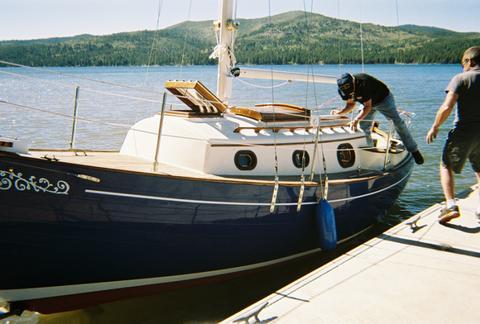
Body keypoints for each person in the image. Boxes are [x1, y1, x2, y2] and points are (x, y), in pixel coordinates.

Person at [426, 46, 480, 224]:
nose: (462, 67)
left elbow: (447, 106)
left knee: (445, 165)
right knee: (479, 168)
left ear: (470, 61)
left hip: (463, 131)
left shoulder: (461, 79)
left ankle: (450, 205)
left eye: (463, 63)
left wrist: (435, 126)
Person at [331, 73, 424, 164]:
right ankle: (369, 152)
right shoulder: (342, 90)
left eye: (352, 91)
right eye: (348, 93)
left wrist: (356, 119)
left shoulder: (363, 83)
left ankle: (413, 149)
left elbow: (368, 107)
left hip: (383, 99)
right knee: (363, 127)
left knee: (397, 123)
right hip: (366, 103)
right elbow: (351, 104)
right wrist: (340, 113)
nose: (350, 93)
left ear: (354, 83)